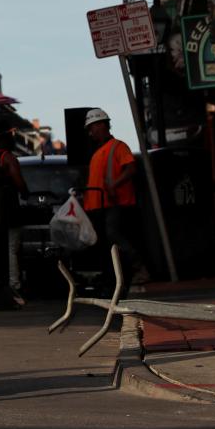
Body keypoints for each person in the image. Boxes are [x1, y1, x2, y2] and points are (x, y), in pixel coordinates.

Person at [82, 108, 149, 293]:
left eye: (92, 127)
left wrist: (114, 185)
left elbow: (131, 169)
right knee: (106, 244)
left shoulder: (118, 147)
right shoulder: (98, 153)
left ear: (102, 124)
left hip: (116, 204)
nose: (91, 132)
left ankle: (138, 267)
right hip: (99, 206)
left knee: (113, 235)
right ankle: (114, 278)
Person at [0, 126, 29, 305]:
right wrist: (25, 192)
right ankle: (14, 285)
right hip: (9, 210)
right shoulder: (7, 157)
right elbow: (19, 182)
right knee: (11, 248)